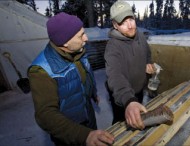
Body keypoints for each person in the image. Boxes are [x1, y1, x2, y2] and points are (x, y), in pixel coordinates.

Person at [28, 12, 114, 146]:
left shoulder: (78, 51)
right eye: (81, 35)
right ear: (65, 42)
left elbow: (87, 74)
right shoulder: (41, 71)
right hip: (69, 130)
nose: (86, 38)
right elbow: (46, 115)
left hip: (87, 114)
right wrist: (83, 135)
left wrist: (93, 93)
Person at [104, 1, 156, 130]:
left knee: (137, 121)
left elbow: (147, 53)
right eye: (123, 22)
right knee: (120, 124)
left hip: (138, 90)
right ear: (115, 25)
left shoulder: (140, 36)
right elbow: (115, 76)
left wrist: (148, 62)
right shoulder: (112, 47)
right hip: (122, 95)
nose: (130, 25)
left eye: (131, 19)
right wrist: (128, 100)